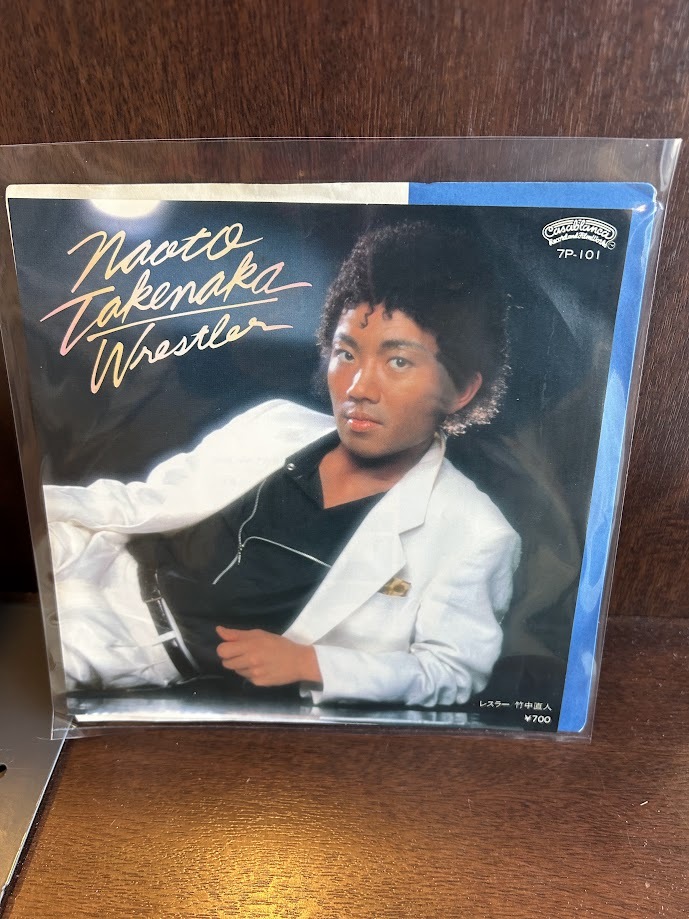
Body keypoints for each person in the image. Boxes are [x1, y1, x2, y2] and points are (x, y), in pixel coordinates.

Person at [44, 222, 521, 708]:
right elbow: (140, 503)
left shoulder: (475, 533)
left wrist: (312, 663)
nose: (358, 387)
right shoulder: (276, 422)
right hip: (90, 558)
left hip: (127, 646)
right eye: (346, 353)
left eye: (398, 362)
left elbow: (450, 670)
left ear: (462, 390)